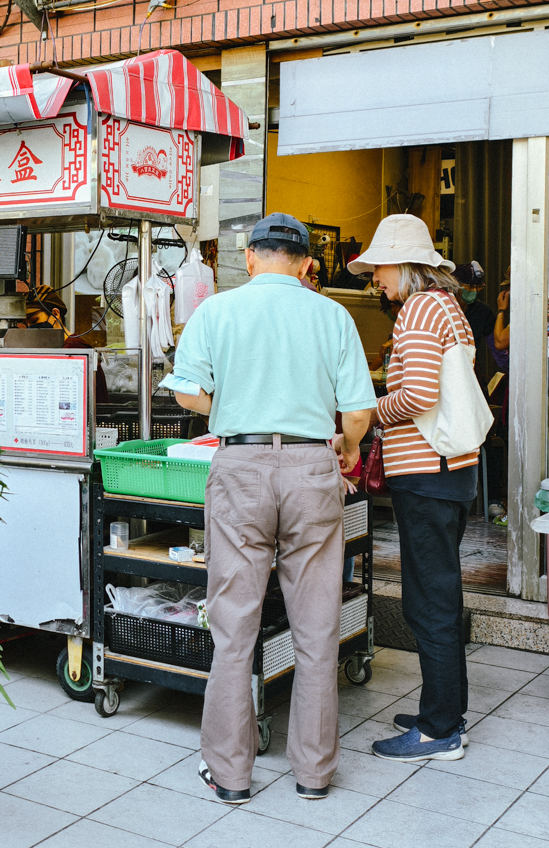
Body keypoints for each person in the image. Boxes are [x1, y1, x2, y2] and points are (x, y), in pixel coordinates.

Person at [164, 213, 376, 803]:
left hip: (241, 465)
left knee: (233, 628)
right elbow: (358, 412)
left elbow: (186, 390)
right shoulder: (333, 315)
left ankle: (230, 775)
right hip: (312, 467)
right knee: (317, 628)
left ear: (250, 257)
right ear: (307, 264)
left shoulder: (217, 311)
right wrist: (348, 448)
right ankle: (313, 774)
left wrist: (231, 406)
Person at [345, 213, 480, 763]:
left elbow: (420, 395)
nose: (375, 279)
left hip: (428, 474)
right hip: (450, 471)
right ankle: (445, 712)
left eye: (379, 268)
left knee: (429, 601)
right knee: (438, 593)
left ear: (404, 264)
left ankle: (438, 730)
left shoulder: (420, 308)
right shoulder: (448, 306)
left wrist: (368, 413)